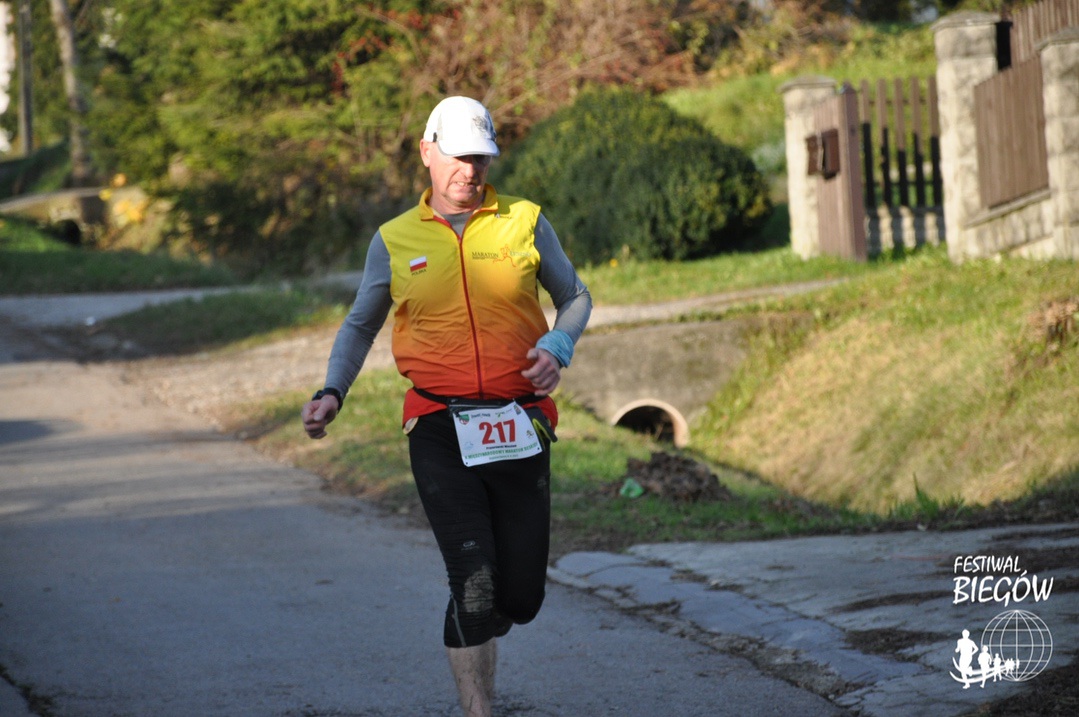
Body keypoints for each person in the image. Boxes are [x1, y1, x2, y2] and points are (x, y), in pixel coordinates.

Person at [301, 95, 592, 717]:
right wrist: (332, 392)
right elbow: (360, 325)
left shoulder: (525, 221)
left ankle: (477, 618)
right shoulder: (394, 239)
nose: (471, 170)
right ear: (427, 153)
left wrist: (557, 346)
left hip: (520, 422)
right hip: (437, 423)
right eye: (459, 156)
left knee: (520, 599)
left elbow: (575, 296)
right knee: (474, 581)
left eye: (481, 157)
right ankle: (477, 705)